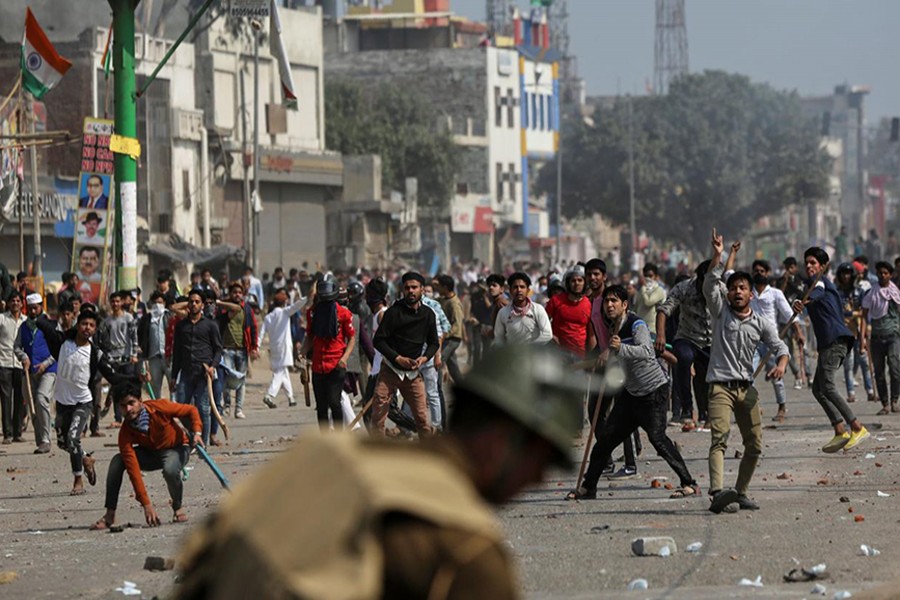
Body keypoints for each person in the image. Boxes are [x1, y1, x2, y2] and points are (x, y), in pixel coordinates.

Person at [174, 344, 583, 600]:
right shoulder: (468, 546)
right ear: (500, 440)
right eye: (541, 461)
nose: (539, 481)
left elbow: (206, 551)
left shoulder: (325, 450)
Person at [568, 285, 700, 500]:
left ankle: (689, 483)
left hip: (653, 392)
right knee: (605, 442)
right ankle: (588, 488)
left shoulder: (635, 324)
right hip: (631, 394)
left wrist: (621, 349)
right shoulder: (613, 328)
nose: (609, 305)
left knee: (658, 439)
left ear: (624, 305)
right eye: (606, 302)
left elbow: (647, 352)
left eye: (614, 301)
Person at [703, 229, 789, 513]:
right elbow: (709, 284)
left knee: (754, 445)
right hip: (719, 387)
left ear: (751, 294)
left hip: (746, 389)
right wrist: (719, 256)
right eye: (733, 288)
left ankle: (739, 493)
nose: (737, 292)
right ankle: (717, 492)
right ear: (728, 293)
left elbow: (780, 346)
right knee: (720, 438)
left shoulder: (761, 322)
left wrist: (781, 364)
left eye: (742, 288)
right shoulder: (720, 311)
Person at [36, 309, 141, 495]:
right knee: (63, 443)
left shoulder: (95, 353)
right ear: (78, 324)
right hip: (61, 402)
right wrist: (37, 315)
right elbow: (44, 326)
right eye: (84, 324)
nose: (88, 328)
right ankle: (85, 459)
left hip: (83, 403)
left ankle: (78, 481)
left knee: (73, 439)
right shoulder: (62, 342)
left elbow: (113, 376)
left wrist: (136, 378)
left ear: (95, 330)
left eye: (92, 325)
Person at [90, 381, 202, 530]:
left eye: (131, 403)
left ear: (140, 401)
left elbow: (191, 410)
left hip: (177, 448)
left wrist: (197, 432)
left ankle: (177, 507)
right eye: (123, 406)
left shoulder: (160, 407)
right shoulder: (125, 433)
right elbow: (134, 471)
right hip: (152, 453)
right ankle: (110, 513)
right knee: (118, 461)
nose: (128, 409)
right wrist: (146, 504)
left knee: (170, 469)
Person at [794, 247, 869, 453]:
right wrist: (798, 302)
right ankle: (839, 430)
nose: (809, 266)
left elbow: (816, 293)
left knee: (827, 386)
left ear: (822, 266)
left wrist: (805, 301)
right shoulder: (810, 285)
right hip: (828, 343)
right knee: (818, 389)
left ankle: (857, 427)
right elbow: (806, 297)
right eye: (806, 262)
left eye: (813, 263)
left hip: (836, 340)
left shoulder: (820, 282)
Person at [370, 272, 439, 437]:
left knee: (422, 417)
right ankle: (377, 450)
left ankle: (427, 452)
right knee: (378, 412)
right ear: (402, 290)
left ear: (422, 289)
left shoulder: (428, 314)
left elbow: (434, 343)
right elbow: (378, 341)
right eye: (407, 288)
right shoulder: (393, 312)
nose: (411, 291)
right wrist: (397, 358)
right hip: (391, 370)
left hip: (413, 373)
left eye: (414, 287)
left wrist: (424, 358)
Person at [656, 260, 714, 425]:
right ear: (700, 279)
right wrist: (661, 335)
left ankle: (706, 412)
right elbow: (663, 310)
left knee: (706, 377)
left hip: (711, 341)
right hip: (687, 337)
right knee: (683, 357)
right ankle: (686, 408)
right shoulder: (684, 288)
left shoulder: (720, 290)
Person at [299, 279, 355, 429]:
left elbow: (351, 338)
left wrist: (344, 358)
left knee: (335, 402)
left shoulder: (344, 313)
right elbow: (310, 336)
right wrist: (303, 352)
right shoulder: (312, 313)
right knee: (321, 407)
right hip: (318, 365)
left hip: (336, 364)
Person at [749, 259, 798, 423]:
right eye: (756, 271)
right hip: (753, 341)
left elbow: (788, 314)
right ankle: (754, 407)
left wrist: (799, 333)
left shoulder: (775, 293)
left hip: (771, 341)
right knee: (749, 375)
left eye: (762, 271)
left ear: (767, 273)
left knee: (777, 376)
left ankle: (782, 407)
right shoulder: (748, 293)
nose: (759, 273)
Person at [171, 290, 223, 445]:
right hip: (186, 373)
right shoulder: (181, 326)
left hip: (204, 374)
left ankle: (204, 443)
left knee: (203, 408)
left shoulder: (210, 325)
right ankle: (190, 437)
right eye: (191, 301)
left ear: (202, 305)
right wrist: (174, 376)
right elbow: (177, 353)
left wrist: (213, 366)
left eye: (197, 302)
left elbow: (218, 349)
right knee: (181, 409)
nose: (194, 304)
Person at [14, 293, 56, 453]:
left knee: (41, 398)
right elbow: (16, 346)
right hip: (29, 371)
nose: (33, 311)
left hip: (49, 370)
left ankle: (47, 439)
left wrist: (46, 364)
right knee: (33, 407)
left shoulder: (50, 325)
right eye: (30, 308)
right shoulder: (24, 327)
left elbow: (58, 348)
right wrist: (23, 356)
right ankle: (41, 442)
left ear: (41, 307)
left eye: (35, 308)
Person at [860, 261, 900, 415]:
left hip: (894, 336)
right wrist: (862, 339)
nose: (883, 276)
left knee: (896, 369)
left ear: (890, 275)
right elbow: (864, 316)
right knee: (879, 372)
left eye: (886, 273)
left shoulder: (895, 292)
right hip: (876, 337)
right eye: (880, 273)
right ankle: (885, 403)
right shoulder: (871, 294)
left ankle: (894, 400)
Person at [215, 282, 259, 419]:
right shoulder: (223, 309)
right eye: (235, 292)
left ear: (243, 294)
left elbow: (253, 328)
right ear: (230, 293)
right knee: (226, 380)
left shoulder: (247, 309)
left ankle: (238, 409)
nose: (237, 295)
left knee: (241, 380)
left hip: (242, 349)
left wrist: (254, 347)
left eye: (240, 292)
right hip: (226, 349)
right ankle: (227, 406)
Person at [835, 263, 875, 403]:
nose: (846, 276)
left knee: (864, 361)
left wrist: (867, 325)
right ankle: (851, 392)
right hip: (845, 332)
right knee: (848, 363)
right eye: (843, 273)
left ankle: (870, 390)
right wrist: (853, 313)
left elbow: (865, 311)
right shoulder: (837, 293)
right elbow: (839, 312)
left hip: (859, 330)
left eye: (848, 273)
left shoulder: (859, 292)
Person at [258, 288, 305, 408]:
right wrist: (307, 298)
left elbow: (261, 333)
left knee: (283, 372)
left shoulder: (268, 317)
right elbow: (297, 306)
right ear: (284, 303)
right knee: (280, 372)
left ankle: (291, 398)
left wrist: (257, 346)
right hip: (284, 347)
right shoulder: (285, 312)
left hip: (274, 348)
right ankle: (270, 395)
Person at [98, 290, 139, 426]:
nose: (115, 304)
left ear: (121, 302)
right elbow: (105, 340)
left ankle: (133, 414)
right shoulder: (107, 321)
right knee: (116, 388)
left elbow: (134, 336)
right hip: (113, 358)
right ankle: (118, 418)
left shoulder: (128, 318)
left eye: (117, 301)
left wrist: (134, 354)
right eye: (113, 301)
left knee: (129, 387)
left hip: (127, 358)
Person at [545, 264, 592, 359]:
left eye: (580, 280)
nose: (577, 283)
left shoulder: (589, 304)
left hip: (580, 356)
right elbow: (543, 322)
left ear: (585, 283)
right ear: (568, 283)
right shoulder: (556, 300)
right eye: (573, 280)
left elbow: (591, 335)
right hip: (557, 354)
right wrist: (551, 336)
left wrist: (590, 358)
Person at [493, 272, 552, 346]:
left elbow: (547, 334)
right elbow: (499, 338)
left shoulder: (538, 309)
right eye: (515, 287)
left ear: (528, 290)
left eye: (522, 287)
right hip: (512, 355)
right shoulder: (503, 312)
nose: (519, 290)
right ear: (510, 290)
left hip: (533, 355)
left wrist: (529, 348)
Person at [0, 292, 26, 443]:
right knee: (6, 399)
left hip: (20, 364)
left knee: (19, 398)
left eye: (18, 300)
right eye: (13, 301)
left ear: (22, 304)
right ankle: (7, 434)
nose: (15, 303)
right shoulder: (2, 319)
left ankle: (18, 433)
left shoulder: (26, 321)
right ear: (8, 304)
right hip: (4, 363)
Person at [137, 291, 171, 398]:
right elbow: (141, 336)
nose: (158, 305)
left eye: (160, 302)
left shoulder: (169, 317)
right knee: (155, 389)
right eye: (155, 302)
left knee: (173, 387)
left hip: (168, 358)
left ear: (164, 303)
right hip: (153, 358)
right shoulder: (147, 319)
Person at [434, 274, 465, 383]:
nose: (437, 289)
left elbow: (457, 324)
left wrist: (445, 334)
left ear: (445, 288)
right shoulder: (444, 300)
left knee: (439, 360)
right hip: (447, 338)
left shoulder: (454, 303)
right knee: (453, 367)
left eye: (439, 286)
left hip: (452, 338)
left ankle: (437, 390)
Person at [633, 263, 666, 335]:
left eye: (650, 276)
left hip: (651, 330)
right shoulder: (641, 291)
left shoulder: (659, 290)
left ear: (656, 277)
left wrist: (643, 286)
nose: (647, 278)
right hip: (639, 329)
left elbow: (648, 302)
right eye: (645, 276)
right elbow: (636, 308)